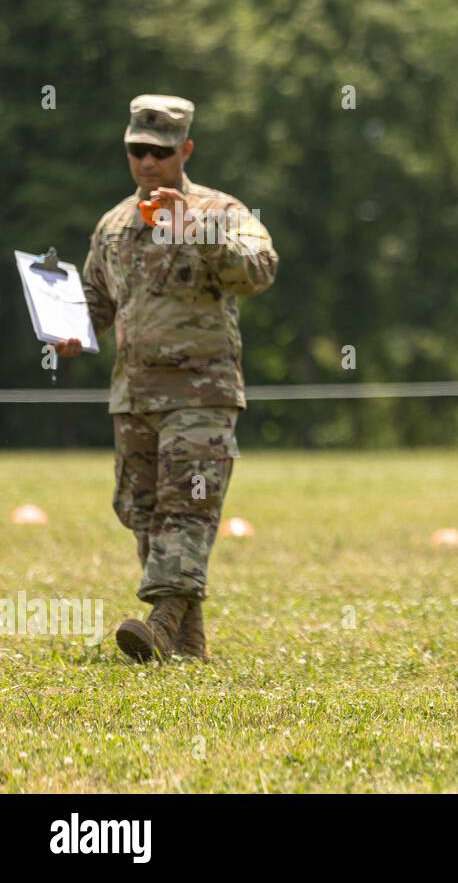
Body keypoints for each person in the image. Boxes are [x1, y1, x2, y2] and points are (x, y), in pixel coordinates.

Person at [54, 94, 277, 662]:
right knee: (145, 516)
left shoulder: (221, 212)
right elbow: (96, 304)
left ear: (186, 150)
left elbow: (259, 272)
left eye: (161, 151)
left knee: (187, 510)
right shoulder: (112, 226)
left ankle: (160, 622)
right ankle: (187, 647)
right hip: (133, 396)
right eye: (138, 150)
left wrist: (195, 230)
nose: (148, 162)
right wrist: (72, 333)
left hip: (202, 393)